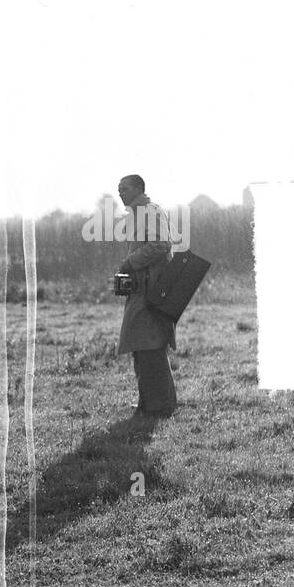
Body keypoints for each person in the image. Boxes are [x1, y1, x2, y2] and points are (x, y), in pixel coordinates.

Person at [116, 174, 177, 418]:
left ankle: (160, 406)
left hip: (153, 291)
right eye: (118, 189)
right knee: (140, 346)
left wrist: (129, 262)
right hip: (141, 290)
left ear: (139, 189)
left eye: (125, 188)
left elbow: (162, 244)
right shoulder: (137, 215)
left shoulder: (150, 212)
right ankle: (148, 403)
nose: (120, 192)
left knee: (150, 345)